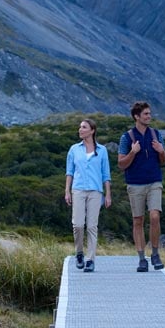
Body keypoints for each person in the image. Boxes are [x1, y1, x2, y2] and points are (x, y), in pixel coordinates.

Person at [117, 101, 165, 271]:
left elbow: (164, 161)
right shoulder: (126, 137)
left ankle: (155, 253)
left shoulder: (156, 134)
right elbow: (121, 164)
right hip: (135, 184)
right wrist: (133, 152)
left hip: (154, 181)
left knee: (154, 216)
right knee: (138, 220)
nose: (149, 116)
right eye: (146, 114)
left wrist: (161, 151)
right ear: (136, 117)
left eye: (149, 113)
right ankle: (141, 258)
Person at [64, 117, 111, 273]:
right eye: (80, 127)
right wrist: (67, 191)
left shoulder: (102, 150)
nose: (80, 129)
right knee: (77, 225)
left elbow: (106, 174)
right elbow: (69, 172)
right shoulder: (74, 149)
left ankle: (90, 260)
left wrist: (108, 194)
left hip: (96, 191)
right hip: (78, 189)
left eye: (84, 127)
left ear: (92, 130)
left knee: (92, 226)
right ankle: (79, 252)